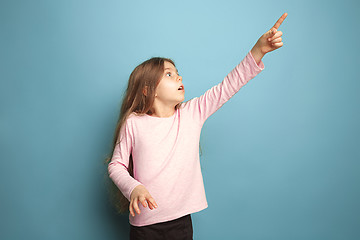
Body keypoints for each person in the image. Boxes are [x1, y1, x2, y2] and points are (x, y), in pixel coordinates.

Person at [106, 13, 288, 240]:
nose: (179, 77)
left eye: (178, 73)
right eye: (169, 74)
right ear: (147, 89)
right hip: (145, 227)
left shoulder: (192, 113)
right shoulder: (134, 123)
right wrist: (134, 188)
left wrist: (258, 51)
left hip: (181, 223)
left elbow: (228, 86)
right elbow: (116, 165)